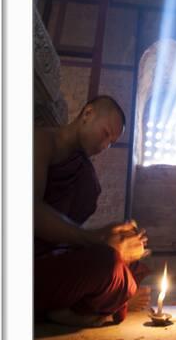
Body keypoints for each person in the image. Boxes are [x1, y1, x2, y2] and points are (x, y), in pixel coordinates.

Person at [34, 95, 151, 327]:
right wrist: (97, 238)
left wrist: (117, 239)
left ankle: (63, 309)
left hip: (56, 259)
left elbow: (65, 236)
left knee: (128, 266)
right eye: (106, 134)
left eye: (111, 142)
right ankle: (77, 309)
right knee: (107, 263)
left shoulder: (86, 176)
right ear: (87, 114)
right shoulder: (41, 141)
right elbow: (31, 212)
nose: (105, 145)